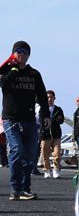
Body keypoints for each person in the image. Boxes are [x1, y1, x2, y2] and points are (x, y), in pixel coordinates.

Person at [0, 41, 50, 200]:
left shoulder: (34, 74)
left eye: (26, 52)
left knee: (30, 155)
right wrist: (14, 68)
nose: (22, 55)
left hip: (29, 119)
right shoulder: (6, 70)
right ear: (14, 53)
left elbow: (42, 95)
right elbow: (5, 84)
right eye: (19, 51)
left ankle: (25, 188)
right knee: (17, 150)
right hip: (11, 119)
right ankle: (15, 188)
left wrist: (46, 115)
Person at [39, 90, 65, 178]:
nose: (49, 99)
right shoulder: (42, 109)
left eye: (51, 97)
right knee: (45, 153)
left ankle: (56, 168)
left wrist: (52, 120)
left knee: (57, 153)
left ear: (54, 98)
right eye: (48, 97)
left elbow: (61, 119)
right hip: (45, 135)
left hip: (56, 134)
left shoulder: (58, 109)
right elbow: (41, 120)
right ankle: (47, 170)